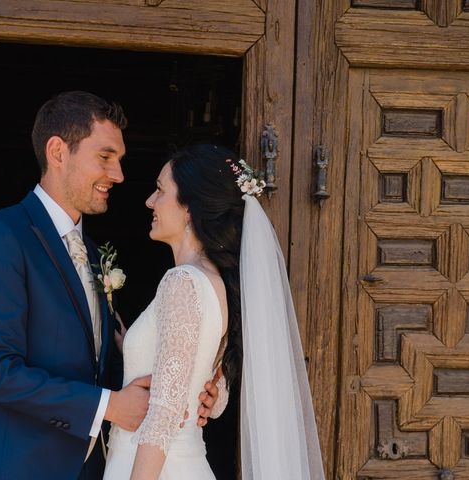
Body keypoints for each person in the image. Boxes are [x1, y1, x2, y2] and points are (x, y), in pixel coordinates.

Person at [0, 92, 219, 480]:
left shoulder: (95, 254)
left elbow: (101, 365)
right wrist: (109, 407)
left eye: (119, 160)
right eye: (105, 157)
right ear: (58, 151)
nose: (118, 175)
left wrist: (186, 389)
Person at [103, 144, 325, 480]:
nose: (150, 201)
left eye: (160, 191)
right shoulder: (216, 283)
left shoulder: (182, 282)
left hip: (154, 468)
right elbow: (199, 380)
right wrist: (131, 346)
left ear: (189, 208)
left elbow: (163, 415)